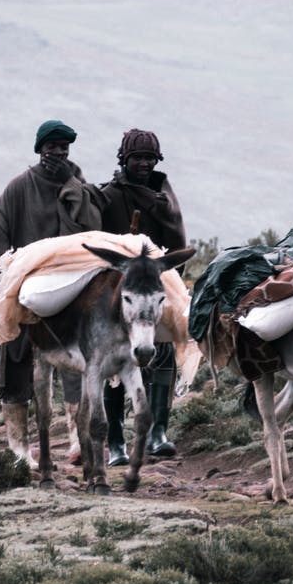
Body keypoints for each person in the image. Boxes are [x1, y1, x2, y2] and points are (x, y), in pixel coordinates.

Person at [0, 119, 104, 458]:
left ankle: (79, 439)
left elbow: (92, 227)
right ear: (40, 149)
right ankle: (19, 446)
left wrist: (73, 190)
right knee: (14, 353)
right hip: (24, 285)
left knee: (78, 354)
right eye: (52, 147)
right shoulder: (20, 187)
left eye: (64, 148)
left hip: (69, 282)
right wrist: (3, 274)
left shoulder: (78, 184)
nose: (58, 153)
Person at [97, 128, 186, 464]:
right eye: (137, 157)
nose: (144, 163)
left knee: (164, 352)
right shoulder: (109, 196)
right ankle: (116, 443)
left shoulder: (166, 197)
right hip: (120, 288)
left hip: (161, 283)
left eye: (150, 157)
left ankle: (157, 433)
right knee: (116, 364)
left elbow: (176, 239)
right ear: (124, 159)